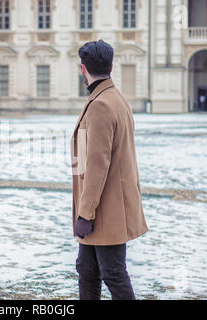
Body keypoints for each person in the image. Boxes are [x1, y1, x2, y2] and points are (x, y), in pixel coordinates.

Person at [70, 40, 148, 300]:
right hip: (107, 205)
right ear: (111, 66)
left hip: (105, 208)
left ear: (83, 69)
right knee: (87, 270)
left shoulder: (102, 104)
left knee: (113, 273)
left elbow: (97, 165)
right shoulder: (114, 97)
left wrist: (85, 213)